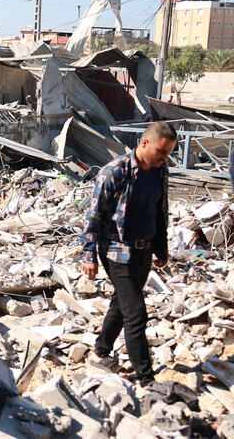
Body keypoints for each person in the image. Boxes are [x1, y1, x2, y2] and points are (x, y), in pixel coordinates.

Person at [81, 121, 177, 387]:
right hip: (116, 250)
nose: (164, 157)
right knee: (136, 311)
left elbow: (159, 209)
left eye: (168, 153)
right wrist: (88, 255)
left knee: (121, 305)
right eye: (161, 151)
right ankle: (147, 379)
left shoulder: (160, 170)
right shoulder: (115, 171)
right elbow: (94, 215)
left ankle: (100, 352)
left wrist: (161, 247)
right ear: (144, 143)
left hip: (144, 250)